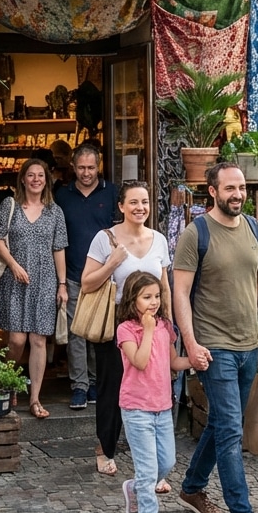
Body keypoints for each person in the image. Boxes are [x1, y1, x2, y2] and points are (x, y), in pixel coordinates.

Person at [172, 162, 258, 513]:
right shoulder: (195, 234)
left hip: (250, 345)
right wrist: (191, 342)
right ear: (212, 191)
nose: (237, 193)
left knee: (222, 423)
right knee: (232, 429)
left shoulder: (255, 228)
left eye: (241, 187)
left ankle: (192, 488)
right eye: (229, 188)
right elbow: (179, 292)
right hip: (214, 348)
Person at [80, 180, 170, 477]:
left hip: (152, 323)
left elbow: (164, 286)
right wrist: (112, 263)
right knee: (113, 387)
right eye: (133, 202)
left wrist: (168, 321)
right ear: (121, 206)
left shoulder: (158, 239)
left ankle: (147, 451)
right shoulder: (104, 239)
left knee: (150, 383)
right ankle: (105, 447)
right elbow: (87, 282)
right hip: (117, 321)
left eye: (144, 202)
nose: (140, 208)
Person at [115, 271, 190, 513]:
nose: (154, 302)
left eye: (157, 296)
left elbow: (173, 362)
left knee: (167, 462)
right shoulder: (126, 330)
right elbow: (141, 361)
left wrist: (195, 359)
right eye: (147, 297)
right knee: (147, 470)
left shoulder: (164, 327)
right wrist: (146, 329)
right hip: (136, 408)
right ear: (132, 299)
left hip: (162, 406)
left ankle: (135, 488)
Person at [0, 159, 69, 419]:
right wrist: (13, 265)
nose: (36, 179)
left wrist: (62, 284)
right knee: (16, 340)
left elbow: (59, 249)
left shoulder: (55, 211)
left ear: (46, 180)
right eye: (31, 175)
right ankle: (7, 382)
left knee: (39, 340)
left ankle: (35, 399)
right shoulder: (9, 205)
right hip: (15, 279)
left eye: (41, 175)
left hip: (45, 281)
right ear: (23, 179)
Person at [53, 144, 119, 411]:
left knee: (100, 332)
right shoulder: (62, 195)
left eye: (91, 167)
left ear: (99, 165)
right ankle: (79, 386)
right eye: (81, 168)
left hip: (104, 275)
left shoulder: (112, 193)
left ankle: (95, 382)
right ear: (73, 166)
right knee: (76, 333)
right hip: (72, 274)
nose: (86, 173)